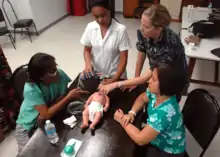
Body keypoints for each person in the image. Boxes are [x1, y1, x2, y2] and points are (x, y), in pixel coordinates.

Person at [99, 4, 188, 94]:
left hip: (173, 78)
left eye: (146, 26)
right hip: (157, 71)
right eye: (141, 23)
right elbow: (141, 55)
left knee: (164, 99)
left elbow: (145, 77)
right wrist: (135, 79)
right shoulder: (145, 32)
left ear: (159, 28)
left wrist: (115, 84)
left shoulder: (169, 47)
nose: (141, 28)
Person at [15, 53, 88, 152]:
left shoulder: (60, 75)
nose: (57, 72)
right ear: (41, 77)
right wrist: (67, 98)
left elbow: (62, 94)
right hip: (28, 126)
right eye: (52, 71)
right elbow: (47, 114)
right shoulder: (31, 89)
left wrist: (50, 108)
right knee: (30, 153)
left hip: (46, 122)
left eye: (56, 67)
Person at [114, 63, 187, 157]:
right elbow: (142, 98)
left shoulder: (165, 113)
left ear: (164, 86)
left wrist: (122, 120)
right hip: (157, 138)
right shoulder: (158, 93)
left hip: (167, 151)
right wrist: (132, 112)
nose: (149, 81)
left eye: (153, 79)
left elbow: (140, 139)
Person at [79, 0, 131, 88]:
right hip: (97, 75)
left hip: (116, 76)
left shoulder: (120, 30)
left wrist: (114, 79)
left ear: (110, 11)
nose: (100, 20)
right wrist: (88, 64)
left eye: (103, 16)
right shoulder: (90, 27)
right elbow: (87, 50)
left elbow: (123, 60)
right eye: (96, 17)